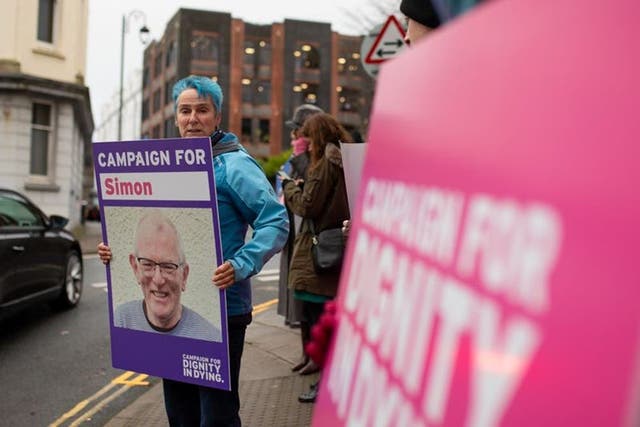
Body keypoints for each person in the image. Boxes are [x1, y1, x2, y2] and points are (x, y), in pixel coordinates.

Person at [98, 75, 288, 426]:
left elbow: (276, 221)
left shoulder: (234, 165)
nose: (192, 118)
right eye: (185, 111)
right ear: (176, 118)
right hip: (175, 315)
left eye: (202, 110)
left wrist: (241, 263)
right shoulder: (166, 164)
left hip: (223, 311)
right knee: (180, 413)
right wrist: (115, 249)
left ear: (217, 117)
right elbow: (145, 227)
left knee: (216, 417)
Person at [282, 113, 352, 402]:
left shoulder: (325, 164)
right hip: (334, 244)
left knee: (319, 318)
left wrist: (288, 187)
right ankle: (328, 379)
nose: (306, 145)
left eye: (308, 138)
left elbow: (308, 206)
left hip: (319, 249)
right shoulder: (342, 160)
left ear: (318, 138)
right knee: (326, 319)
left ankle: (326, 383)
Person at [114, 209, 221, 342]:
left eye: (168, 266)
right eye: (147, 264)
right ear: (135, 268)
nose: (158, 280)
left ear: (184, 275)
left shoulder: (211, 338)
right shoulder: (122, 320)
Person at [275, 103, 324, 374]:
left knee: (311, 303)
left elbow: (307, 203)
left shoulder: (315, 161)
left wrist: (289, 186)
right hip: (295, 239)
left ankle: (315, 356)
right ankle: (308, 353)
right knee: (301, 301)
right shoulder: (296, 161)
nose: (294, 137)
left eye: (297, 131)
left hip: (311, 241)